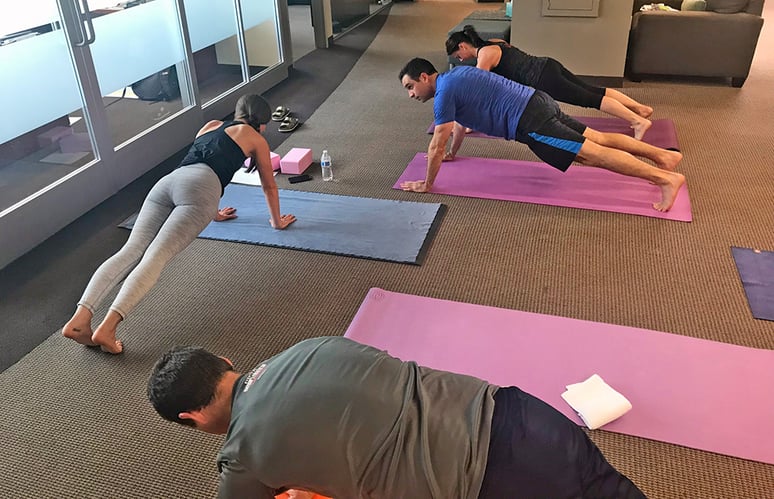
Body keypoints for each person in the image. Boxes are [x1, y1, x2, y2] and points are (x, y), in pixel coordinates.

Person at [147, 336, 646, 498]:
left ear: (192, 418)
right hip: (520, 413)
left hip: (491, 483)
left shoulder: (240, 459)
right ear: (227, 364)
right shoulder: (311, 345)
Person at [62, 95, 297, 354]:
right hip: (200, 190)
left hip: (169, 183)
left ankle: (80, 319)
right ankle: (107, 329)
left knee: (130, 251)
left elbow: (203, 160)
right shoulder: (256, 138)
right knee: (156, 256)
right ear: (261, 123)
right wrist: (276, 222)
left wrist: (214, 212)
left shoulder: (211, 125)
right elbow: (268, 185)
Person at [398, 58, 685, 212]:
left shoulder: (443, 94)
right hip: (538, 101)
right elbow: (458, 124)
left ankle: (666, 178)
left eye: (410, 87)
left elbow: (436, 143)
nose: (411, 95)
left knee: (590, 154)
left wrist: (428, 183)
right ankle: (662, 157)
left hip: (531, 122)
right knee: (597, 138)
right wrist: (453, 153)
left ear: (425, 77)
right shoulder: (456, 76)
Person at [447, 26, 654, 140]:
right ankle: (639, 109)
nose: (461, 60)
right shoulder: (493, 42)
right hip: (548, 64)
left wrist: (464, 122)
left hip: (543, 78)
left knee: (589, 98)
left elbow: (476, 91)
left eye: (458, 55)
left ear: (463, 46)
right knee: (592, 90)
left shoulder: (484, 56)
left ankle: (638, 121)